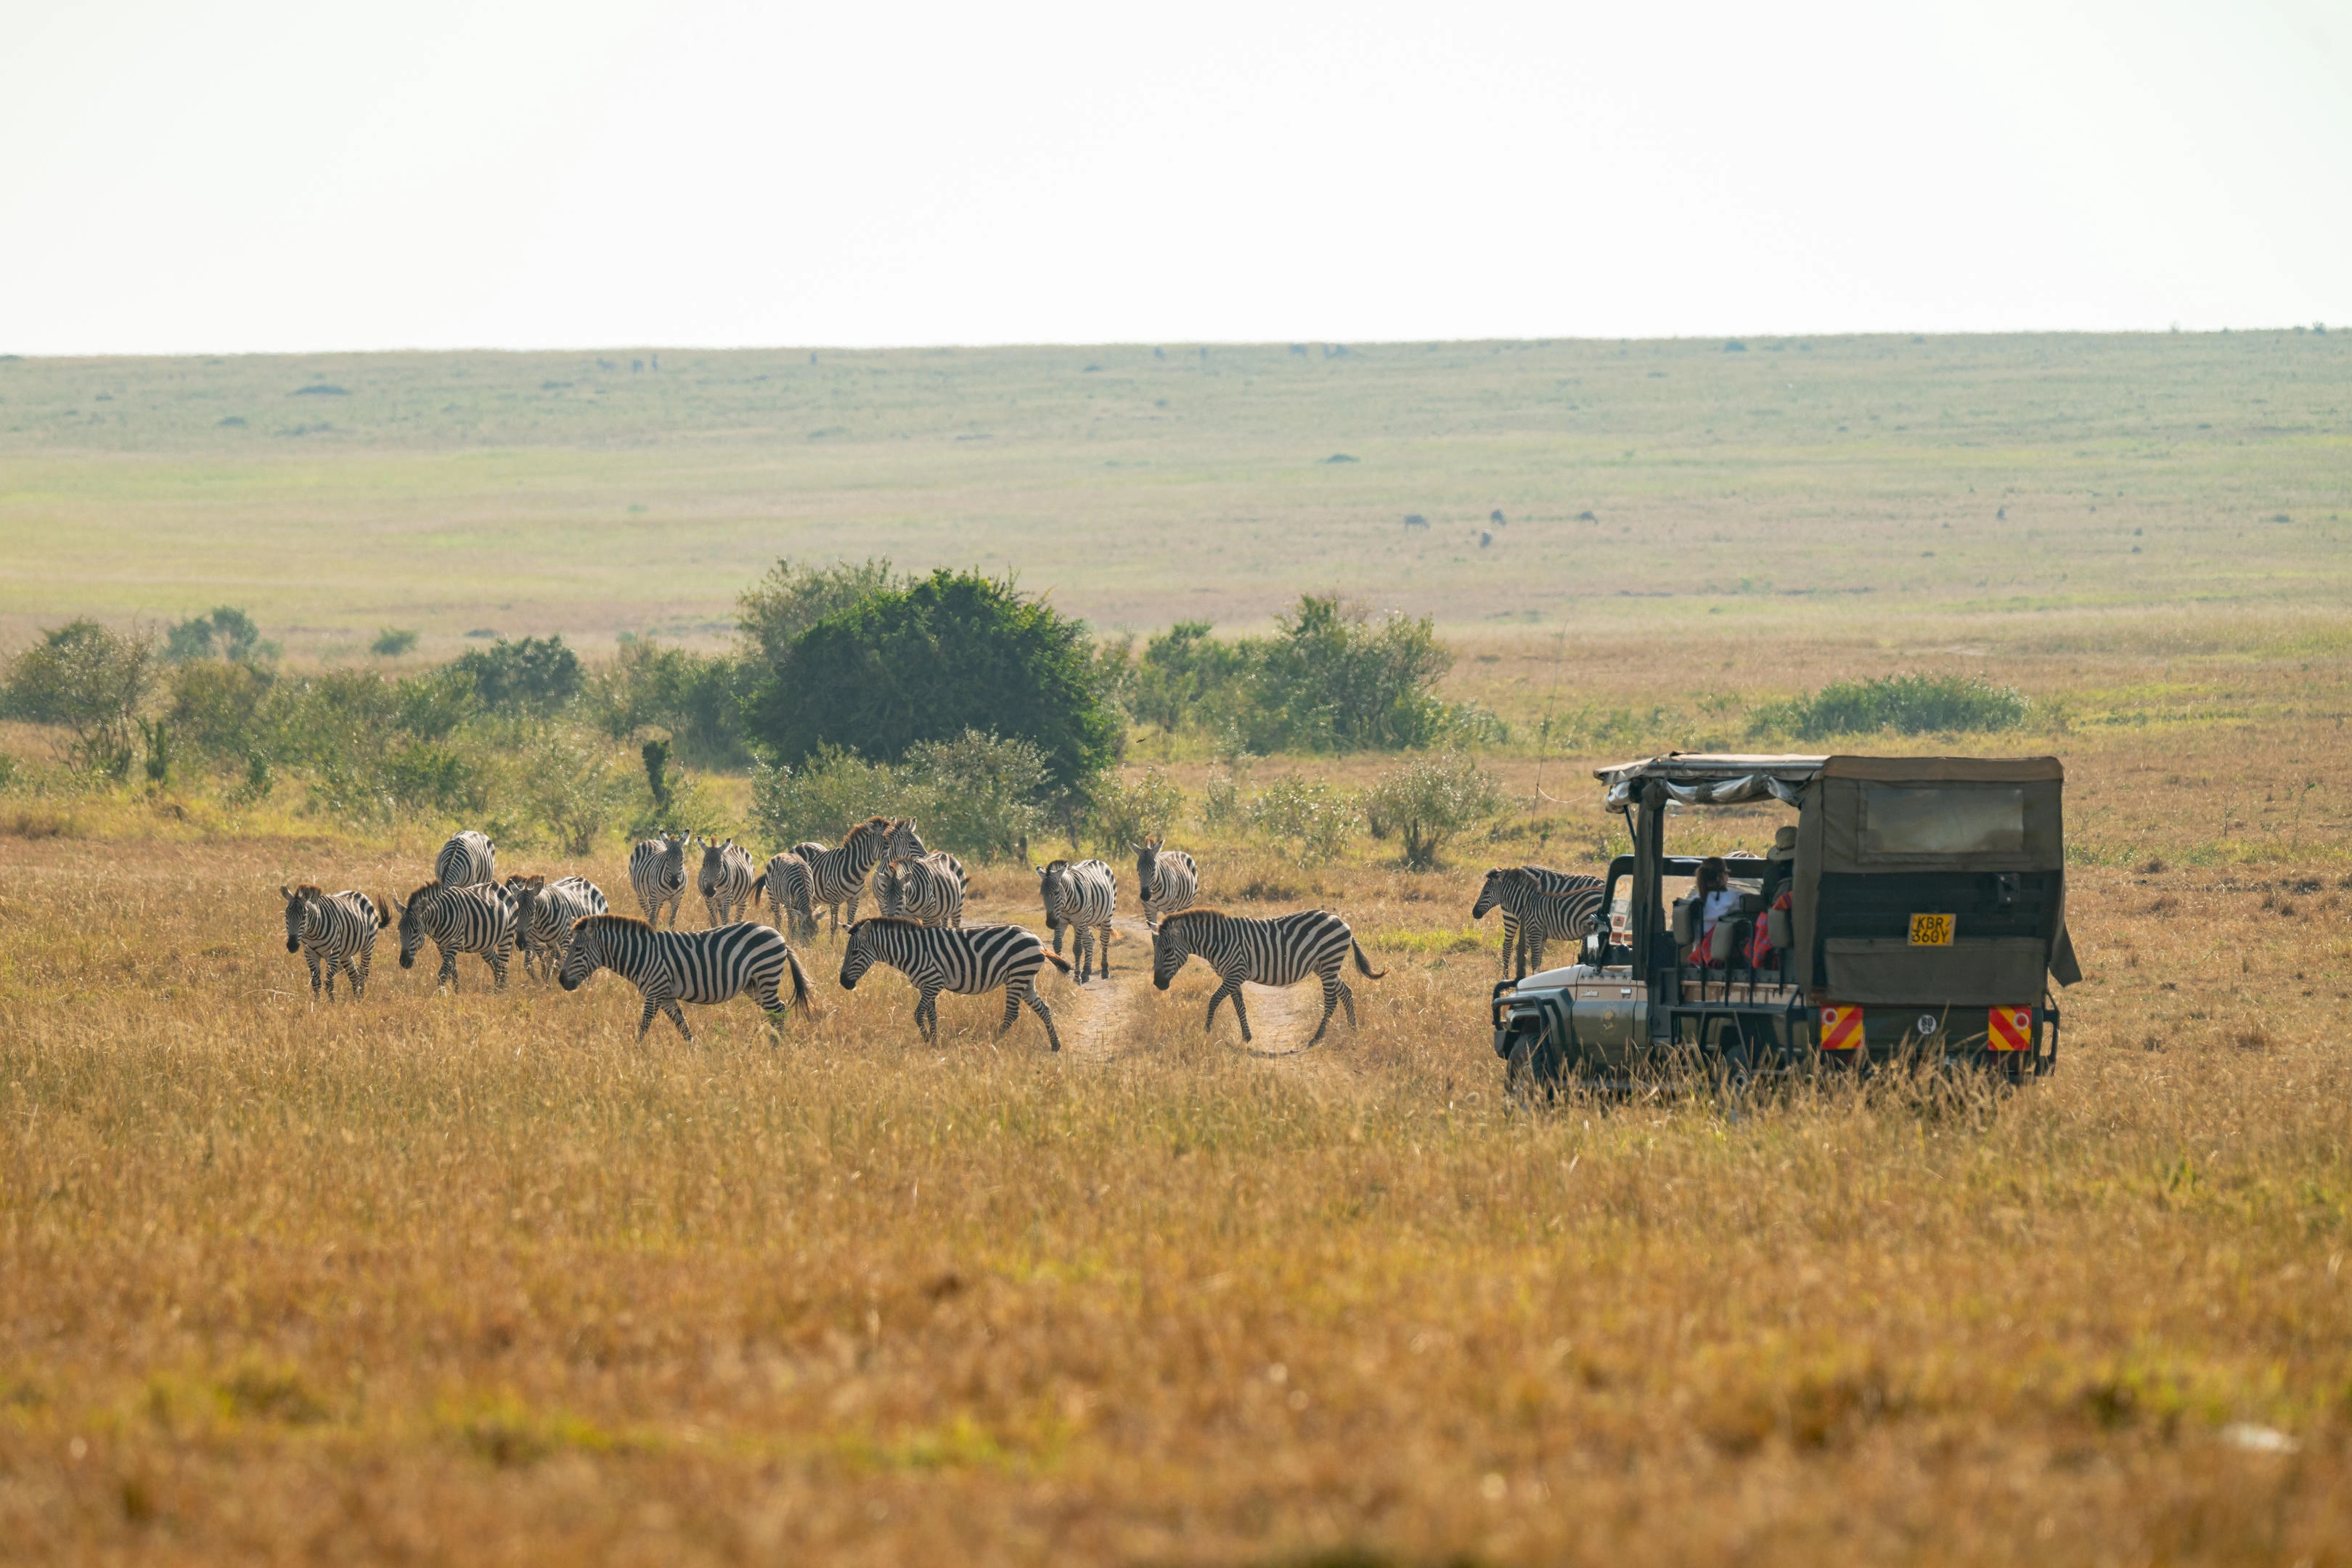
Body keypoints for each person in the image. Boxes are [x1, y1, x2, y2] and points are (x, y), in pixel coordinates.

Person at [1691, 857, 1741, 968]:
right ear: (1721, 876)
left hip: (1699, 959)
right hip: (1728, 960)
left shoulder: (1694, 901)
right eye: (1727, 873)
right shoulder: (1734, 899)